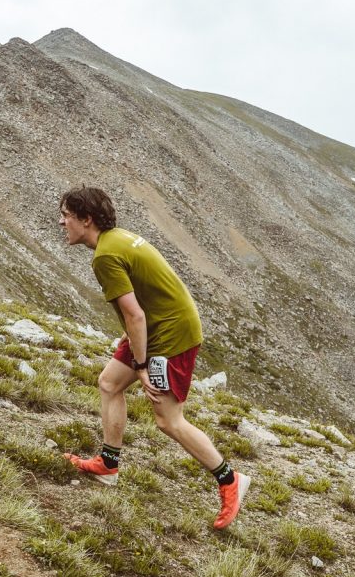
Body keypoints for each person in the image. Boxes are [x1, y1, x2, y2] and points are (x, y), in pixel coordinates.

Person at [58, 186, 251, 529]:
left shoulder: (104, 256)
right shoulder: (117, 238)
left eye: (67, 216)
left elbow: (134, 314)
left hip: (170, 334)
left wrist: (143, 364)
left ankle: (229, 479)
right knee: (109, 383)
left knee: (168, 421)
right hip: (156, 325)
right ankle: (108, 464)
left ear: (86, 220)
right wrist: (134, 345)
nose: (62, 222)